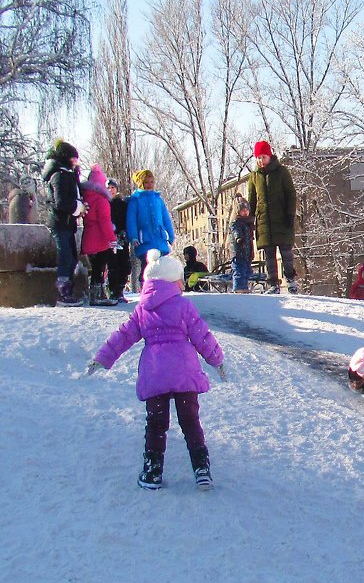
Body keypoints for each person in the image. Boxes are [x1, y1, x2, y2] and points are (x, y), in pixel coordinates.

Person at [85, 248, 226, 490]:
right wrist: (217, 360)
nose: (183, 284)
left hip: (155, 372)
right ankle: (202, 469)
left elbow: (123, 336)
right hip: (184, 373)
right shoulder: (184, 307)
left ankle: (152, 472)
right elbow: (202, 336)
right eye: (180, 279)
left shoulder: (142, 309)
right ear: (172, 282)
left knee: (156, 424)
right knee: (190, 421)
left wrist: (102, 358)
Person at [246, 140, 298, 294]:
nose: (261, 161)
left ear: (269, 156)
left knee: (286, 254)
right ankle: (273, 284)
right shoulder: (254, 176)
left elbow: (291, 194)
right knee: (269, 255)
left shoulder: (282, 172)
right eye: (258, 158)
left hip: (282, 220)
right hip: (264, 222)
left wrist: (290, 214)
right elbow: (252, 200)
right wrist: (250, 220)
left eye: (263, 157)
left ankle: (291, 281)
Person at [41, 139, 84, 307]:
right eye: (73, 158)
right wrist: (77, 207)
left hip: (67, 223)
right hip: (59, 223)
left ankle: (68, 289)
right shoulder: (59, 175)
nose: (75, 162)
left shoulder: (67, 174)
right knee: (65, 256)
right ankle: (63, 292)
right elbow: (60, 202)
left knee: (72, 257)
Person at [126, 169, 176, 284]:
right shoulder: (135, 200)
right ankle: (146, 286)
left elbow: (166, 219)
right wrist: (133, 236)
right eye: (147, 182)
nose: (150, 185)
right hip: (144, 239)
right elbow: (131, 220)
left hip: (159, 238)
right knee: (147, 265)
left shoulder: (158, 199)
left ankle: (160, 288)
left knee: (160, 266)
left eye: (152, 182)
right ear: (141, 183)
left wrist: (171, 235)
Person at [80, 164, 118, 306]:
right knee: (99, 268)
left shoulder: (86, 199)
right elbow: (105, 222)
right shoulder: (102, 201)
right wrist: (112, 239)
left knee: (96, 268)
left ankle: (98, 293)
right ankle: (97, 295)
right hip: (99, 241)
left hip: (88, 239)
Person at [106, 178, 132, 303]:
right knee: (113, 265)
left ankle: (120, 290)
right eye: (108, 188)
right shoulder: (104, 203)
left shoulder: (122, 204)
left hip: (122, 238)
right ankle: (113, 291)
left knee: (124, 264)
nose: (110, 190)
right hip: (110, 239)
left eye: (113, 187)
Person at [230, 197, 255, 293]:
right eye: (242, 210)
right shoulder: (237, 222)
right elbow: (236, 231)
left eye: (246, 210)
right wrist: (239, 238)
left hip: (247, 253)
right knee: (239, 270)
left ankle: (244, 286)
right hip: (238, 252)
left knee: (247, 271)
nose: (245, 212)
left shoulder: (248, 223)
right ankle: (239, 288)